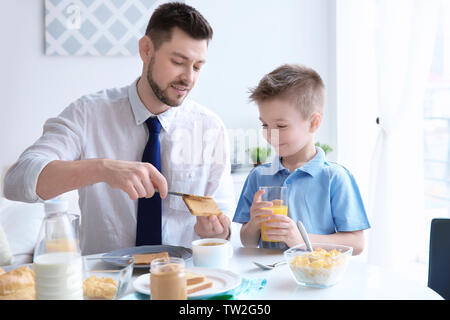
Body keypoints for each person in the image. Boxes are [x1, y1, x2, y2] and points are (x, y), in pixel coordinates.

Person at [4, 2, 235, 255]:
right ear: (146, 49)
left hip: (185, 281)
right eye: (179, 62)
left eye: (198, 66)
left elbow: (224, 226)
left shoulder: (209, 128)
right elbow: (16, 181)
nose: (189, 78)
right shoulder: (87, 114)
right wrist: (102, 169)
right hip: (106, 284)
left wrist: (217, 231)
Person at [233, 64, 370, 254]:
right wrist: (254, 223)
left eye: (281, 126)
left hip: (316, 278)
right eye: (264, 124)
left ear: (313, 123)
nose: (270, 134)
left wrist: (300, 239)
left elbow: (356, 243)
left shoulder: (335, 177)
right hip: (269, 279)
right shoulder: (259, 176)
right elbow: (247, 242)